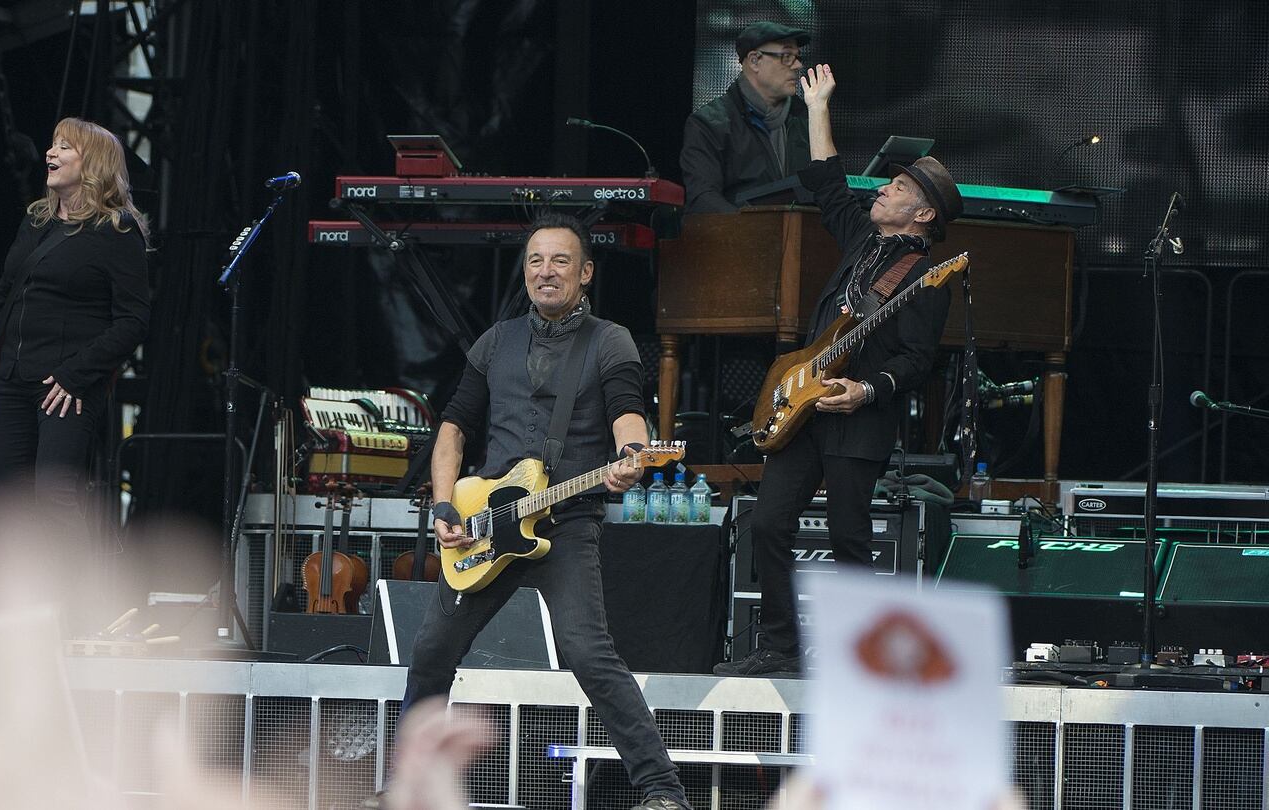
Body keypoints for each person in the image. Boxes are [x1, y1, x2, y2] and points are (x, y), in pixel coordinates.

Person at [400, 213, 690, 810]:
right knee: (431, 653)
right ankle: (407, 787)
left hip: (566, 521)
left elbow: (627, 412)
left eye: (560, 260)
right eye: (535, 260)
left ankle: (662, 792)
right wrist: (446, 504)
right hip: (486, 523)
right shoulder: (494, 341)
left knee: (589, 653)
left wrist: (632, 455)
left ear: (585, 274)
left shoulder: (610, 340)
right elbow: (453, 427)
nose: (545, 271)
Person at [715, 64, 962, 678]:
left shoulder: (925, 281)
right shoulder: (862, 241)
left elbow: (917, 360)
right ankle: (780, 647)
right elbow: (827, 180)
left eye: (898, 187)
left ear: (923, 214)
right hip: (802, 405)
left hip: (858, 418)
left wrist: (866, 389)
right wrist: (818, 104)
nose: (882, 189)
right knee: (768, 523)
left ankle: (862, 656)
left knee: (850, 539)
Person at [0, 117, 150, 619]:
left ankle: (82, 614)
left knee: (54, 499)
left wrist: (77, 373)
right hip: (13, 381)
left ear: (94, 164)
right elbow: (3, 295)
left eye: (65, 147)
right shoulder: (35, 221)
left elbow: (133, 320)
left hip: (66, 388)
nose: (50, 153)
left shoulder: (116, 230)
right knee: (12, 510)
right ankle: (20, 618)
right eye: (52, 144)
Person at [680, 21, 813, 214]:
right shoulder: (708, 124)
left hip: (804, 238)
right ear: (754, 61)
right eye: (786, 56)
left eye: (797, 57)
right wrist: (758, 231)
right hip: (737, 239)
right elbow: (703, 198)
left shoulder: (807, 119)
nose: (798, 65)